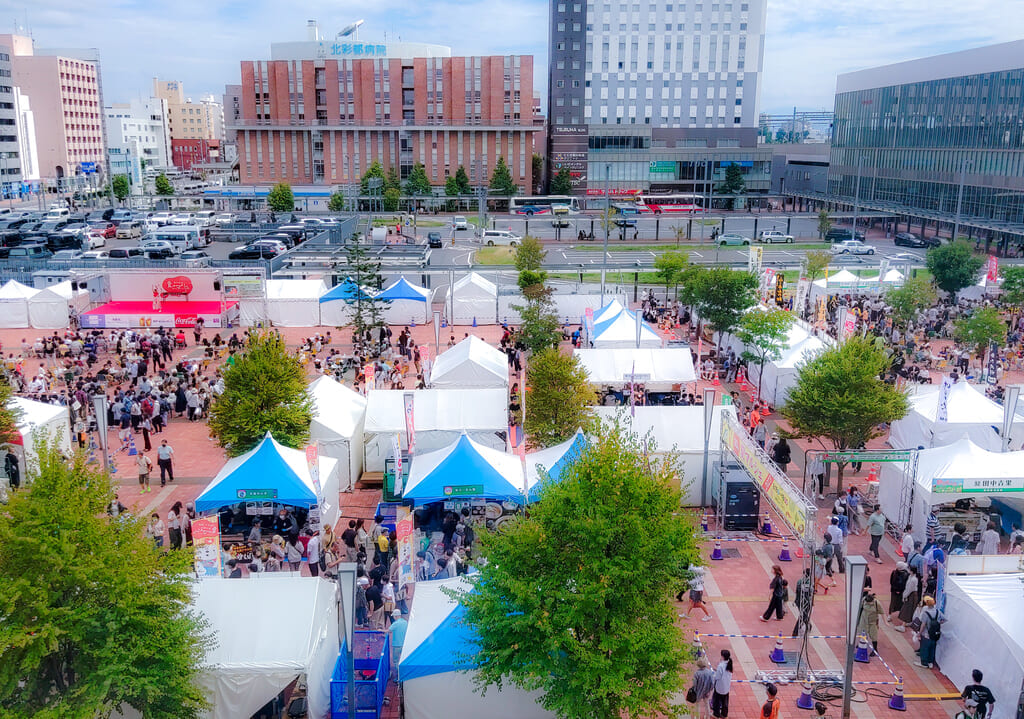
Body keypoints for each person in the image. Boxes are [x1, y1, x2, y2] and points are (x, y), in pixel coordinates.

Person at [917, 595, 942, 668]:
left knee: (925, 648)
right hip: (935, 634)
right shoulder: (938, 612)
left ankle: (924, 663)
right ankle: (930, 662)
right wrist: (937, 623)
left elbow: (923, 624)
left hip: (926, 633)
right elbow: (943, 620)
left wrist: (919, 633)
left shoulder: (926, 613)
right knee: (932, 648)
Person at [858, 589, 885, 653]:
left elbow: (882, 612)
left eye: (869, 603)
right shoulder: (864, 600)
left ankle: (875, 649)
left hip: (872, 622)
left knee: (874, 635)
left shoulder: (876, 603)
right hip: (864, 620)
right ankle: (861, 644)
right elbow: (860, 608)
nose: (868, 604)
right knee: (862, 632)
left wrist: (885, 622)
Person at [792, 568, 814, 638]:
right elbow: (810, 593)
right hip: (805, 602)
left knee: (803, 615)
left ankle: (808, 626)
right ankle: (795, 632)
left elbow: (797, 592)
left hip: (799, 601)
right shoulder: (809, 582)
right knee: (803, 616)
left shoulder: (799, 581)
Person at [711, 649, 733, 718]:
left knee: (716, 702)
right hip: (726, 687)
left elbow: (717, 677)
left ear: (723, 657)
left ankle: (716, 714)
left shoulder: (721, 666)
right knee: (725, 702)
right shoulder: (730, 664)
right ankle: (724, 714)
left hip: (719, 687)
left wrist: (714, 673)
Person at [388, 608, 408, 681]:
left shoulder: (395, 623)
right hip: (404, 644)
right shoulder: (405, 622)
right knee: (403, 659)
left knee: (396, 661)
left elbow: (388, 631)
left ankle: (399, 676)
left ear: (396, 616)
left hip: (396, 645)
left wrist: (381, 630)